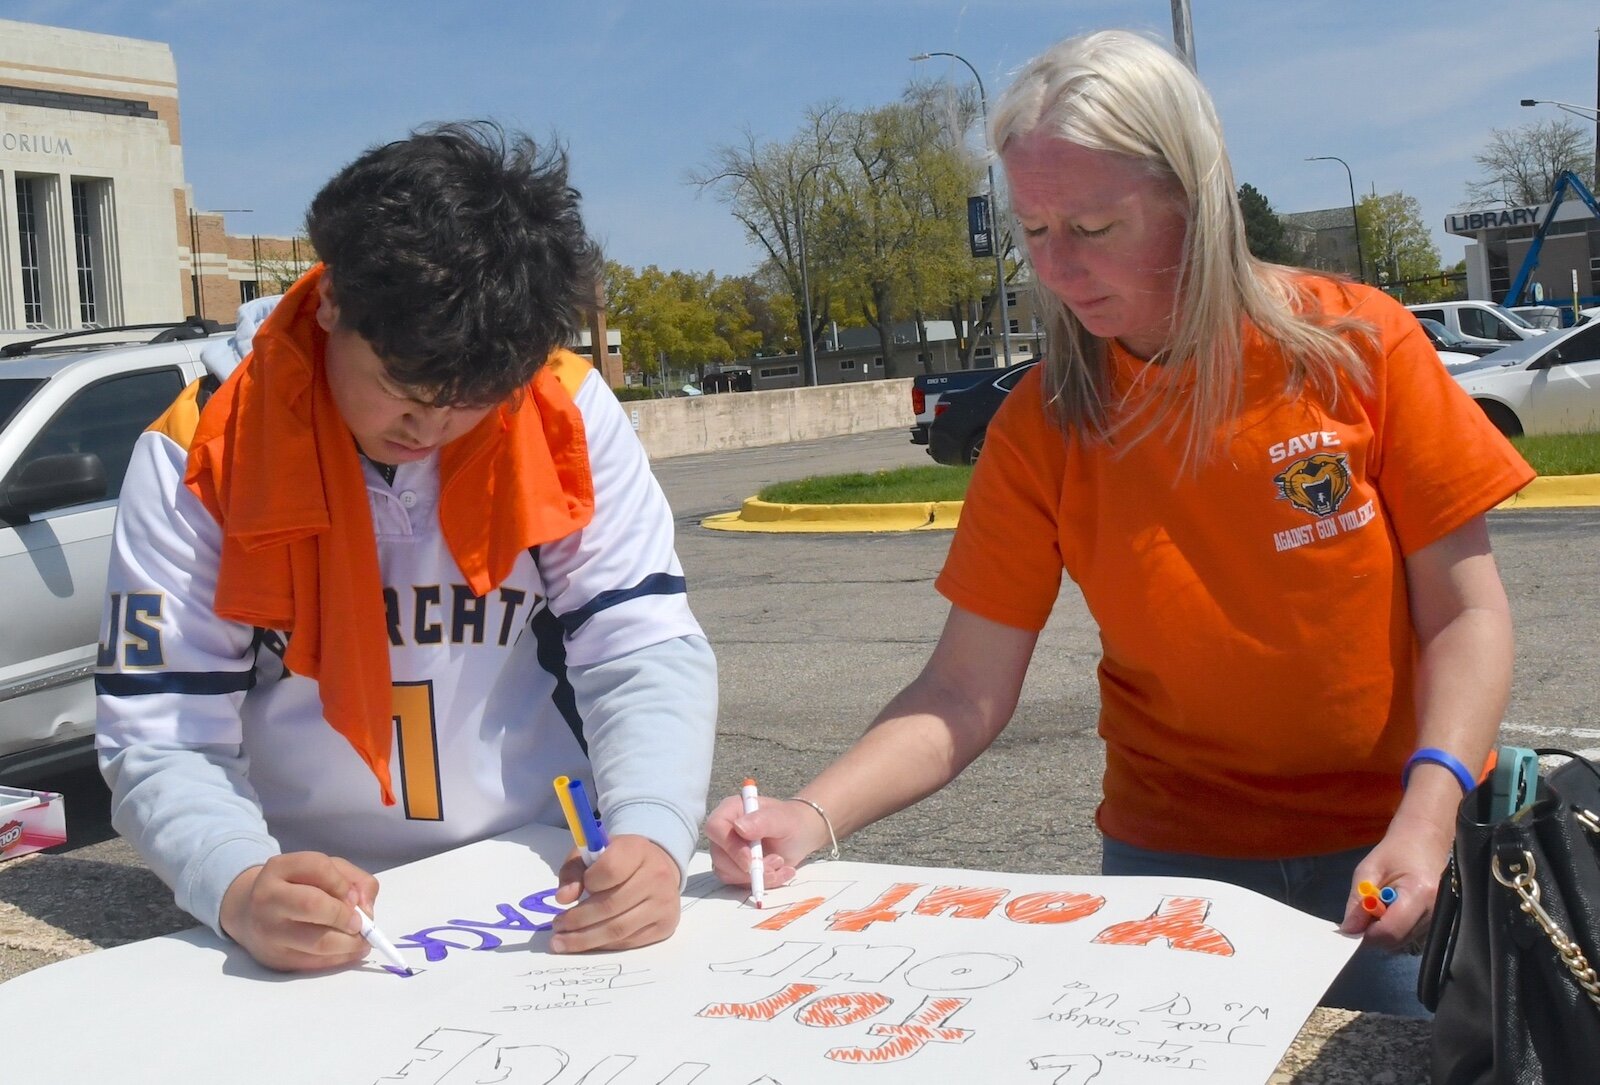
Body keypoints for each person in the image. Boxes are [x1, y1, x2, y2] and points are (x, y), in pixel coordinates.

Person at [706, 30, 1533, 1018]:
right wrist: (811, 812)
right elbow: (963, 690)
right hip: (1171, 862)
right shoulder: (1045, 419)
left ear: (1192, 197)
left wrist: (1431, 807)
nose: (1056, 267)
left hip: (1394, 839)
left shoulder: (1359, 348)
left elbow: (1465, 615)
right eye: (1034, 229)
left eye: (1094, 226)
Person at [97, 122, 716, 972]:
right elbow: (162, 732)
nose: (432, 429)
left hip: (537, 872)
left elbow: (639, 646)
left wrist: (652, 831)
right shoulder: (199, 449)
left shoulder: (562, 408)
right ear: (330, 302)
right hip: (309, 894)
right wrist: (236, 882)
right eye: (403, 391)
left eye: (473, 401)